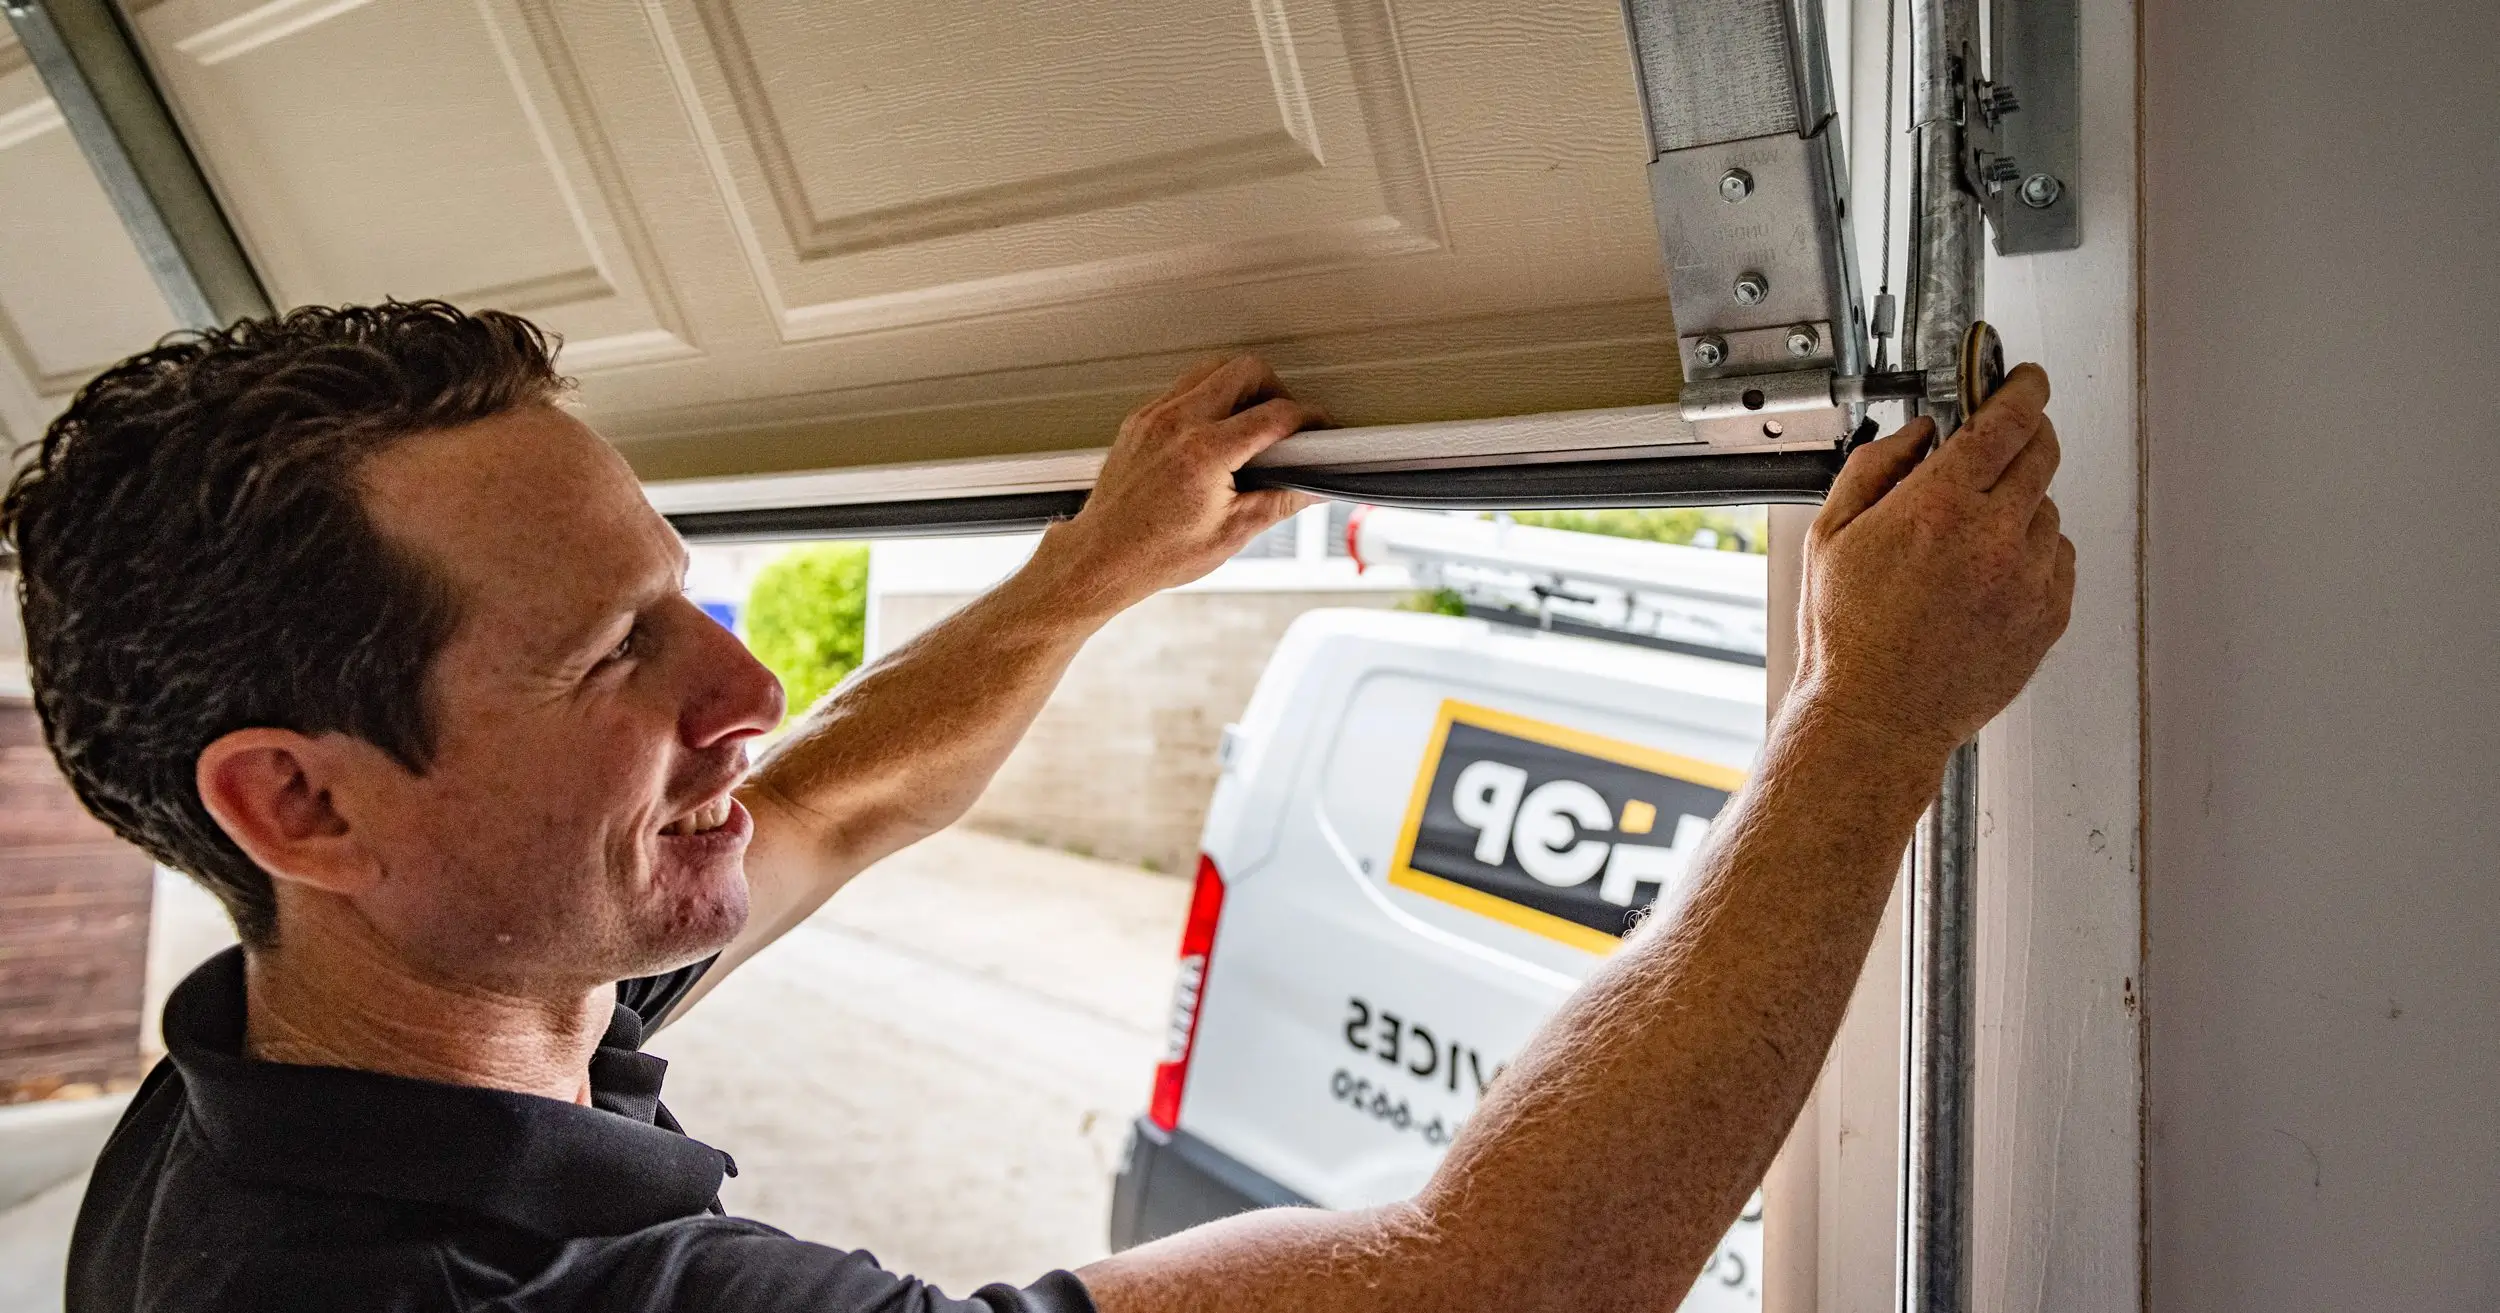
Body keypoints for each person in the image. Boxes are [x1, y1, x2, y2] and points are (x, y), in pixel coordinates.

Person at [8, 302, 2070, 1313]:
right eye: (610, 657)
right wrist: (1868, 716)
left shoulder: (270, 1063)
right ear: (298, 800)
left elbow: (834, 796)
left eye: (682, 590)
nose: (742, 684)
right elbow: (1492, 1276)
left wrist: (1092, 567)